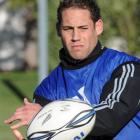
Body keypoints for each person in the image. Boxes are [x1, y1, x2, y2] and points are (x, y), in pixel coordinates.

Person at [5, 0, 140, 139]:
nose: (75, 37)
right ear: (58, 30)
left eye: (83, 28)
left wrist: (47, 116)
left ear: (98, 27)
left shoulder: (127, 67)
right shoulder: (48, 89)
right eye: (68, 29)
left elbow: (111, 117)